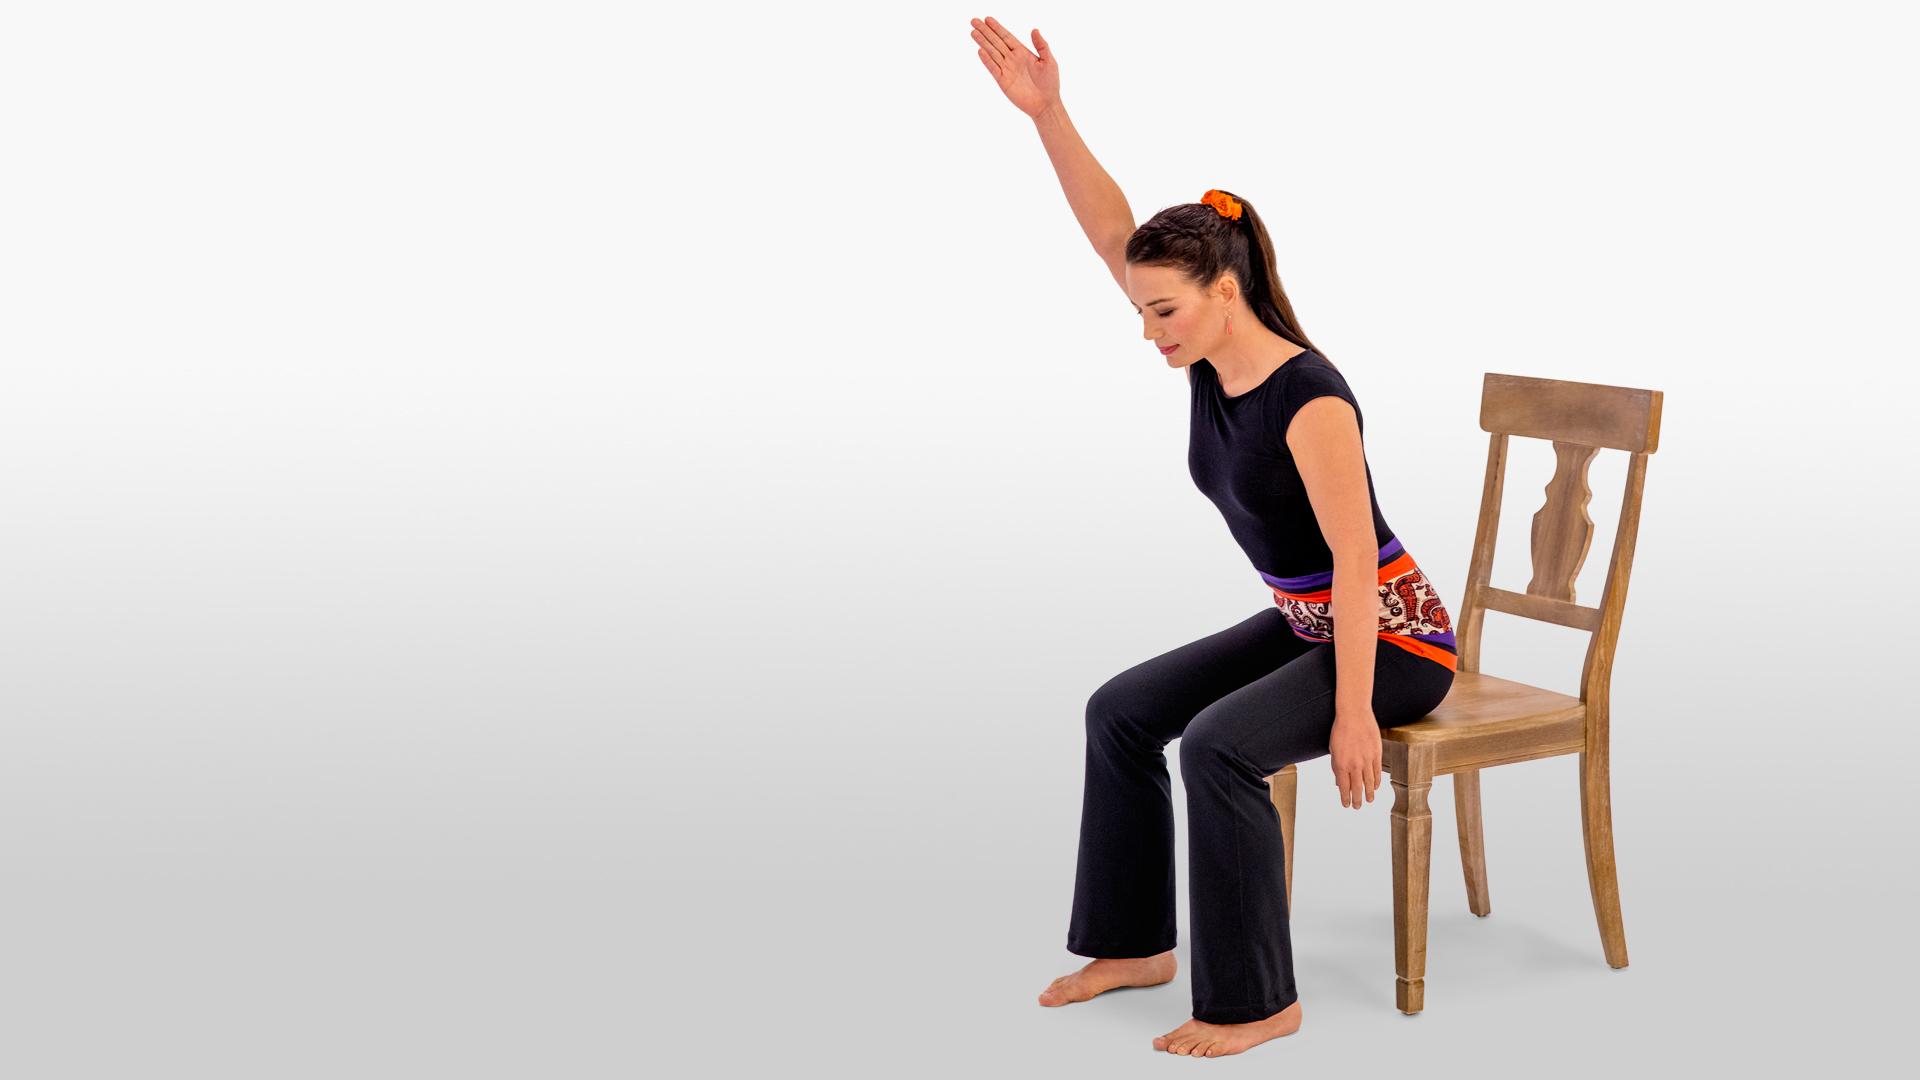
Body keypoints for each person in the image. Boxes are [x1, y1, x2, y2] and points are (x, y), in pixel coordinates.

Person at [969, 16, 1459, 1058]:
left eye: (1164, 313)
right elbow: (1114, 235)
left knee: (1221, 747)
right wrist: (1049, 114)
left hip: (1396, 643)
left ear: (1224, 294)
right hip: (1310, 624)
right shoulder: (1207, 358)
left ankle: (1256, 1000)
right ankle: (1135, 944)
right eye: (1144, 314)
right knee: (1122, 712)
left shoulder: (1311, 399)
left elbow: (1358, 571)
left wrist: (1359, 714)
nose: (1151, 332)